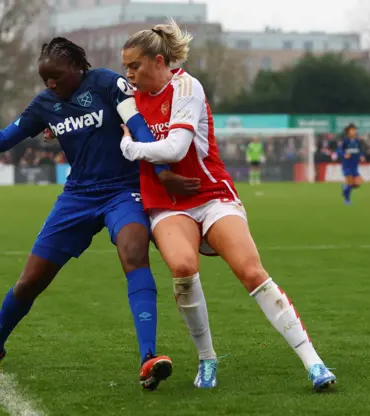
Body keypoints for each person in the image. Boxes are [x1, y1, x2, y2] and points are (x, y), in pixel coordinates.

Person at [0, 37, 201, 390]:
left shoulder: (109, 83)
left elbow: (138, 127)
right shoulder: (45, 104)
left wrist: (163, 174)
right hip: (77, 197)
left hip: (122, 191)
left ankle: (148, 358)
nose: (50, 85)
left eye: (57, 77)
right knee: (31, 279)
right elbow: (4, 139)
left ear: (78, 68)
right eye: (44, 79)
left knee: (134, 253)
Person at [119, 19, 336, 391]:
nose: (128, 74)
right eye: (125, 67)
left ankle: (313, 362)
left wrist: (130, 148)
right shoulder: (127, 98)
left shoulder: (187, 86)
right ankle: (207, 360)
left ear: (158, 61)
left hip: (210, 194)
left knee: (252, 272)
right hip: (167, 204)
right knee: (184, 268)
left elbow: (176, 149)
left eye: (134, 66)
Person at [338, 123, 364, 205]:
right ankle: (347, 200)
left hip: (355, 166)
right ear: (348, 132)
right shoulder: (345, 141)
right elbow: (339, 151)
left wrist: (362, 156)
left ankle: (345, 187)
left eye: (354, 130)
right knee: (350, 182)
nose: (354, 131)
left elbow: (361, 150)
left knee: (358, 183)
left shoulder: (358, 141)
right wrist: (344, 154)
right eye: (352, 130)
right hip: (347, 166)